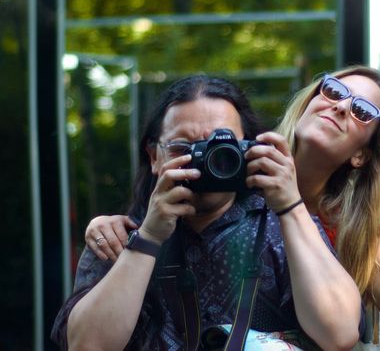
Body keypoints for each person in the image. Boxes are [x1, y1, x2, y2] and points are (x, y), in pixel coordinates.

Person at [86, 66, 380, 350]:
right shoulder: (227, 175)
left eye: (362, 111)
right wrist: (124, 228)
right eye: (334, 91)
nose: (342, 107)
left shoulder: (356, 239)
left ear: (361, 156)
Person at [51, 75, 363, 350]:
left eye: (220, 145)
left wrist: (291, 207)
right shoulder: (120, 238)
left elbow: (339, 335)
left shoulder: (283, 229)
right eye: (183, 148)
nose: (204, 161)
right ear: (153, 156)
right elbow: (87, 346)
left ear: (249, 148)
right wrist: (147, 239)